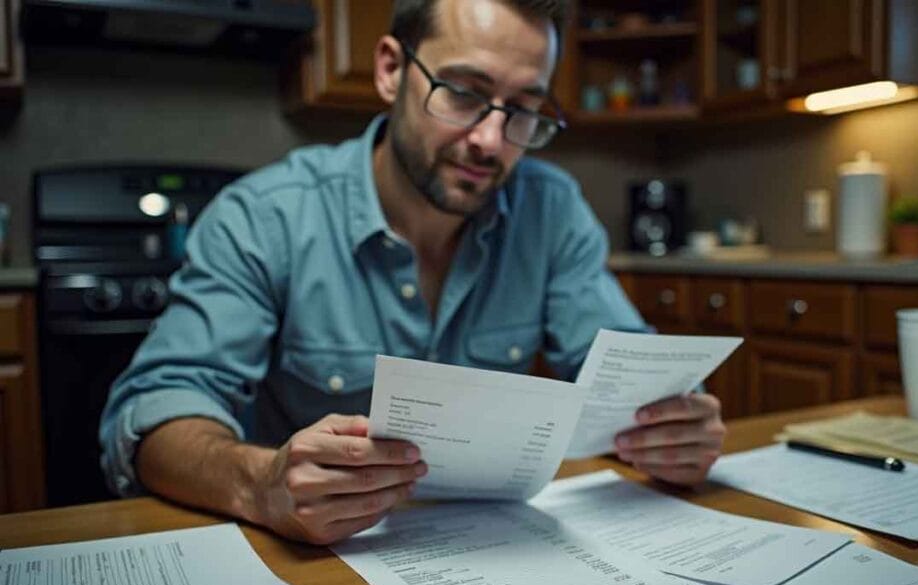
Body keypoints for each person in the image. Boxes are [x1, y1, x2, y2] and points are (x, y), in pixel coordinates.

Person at [100, 0, 726, 546]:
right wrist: (262, 484)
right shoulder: (265, 217)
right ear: (391, 69)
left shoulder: (551, 210)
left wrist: (675, 426)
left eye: (524, 110)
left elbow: (625, 376)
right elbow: (156, 414)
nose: (490, 140)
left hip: (496, 554)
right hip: (315, 560)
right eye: (463, 93)